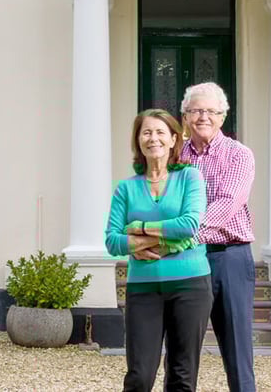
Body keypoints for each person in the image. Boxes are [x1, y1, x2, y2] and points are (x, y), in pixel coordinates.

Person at [105, 108, 213, 392]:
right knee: (139, 376)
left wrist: (137, 228)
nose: (153, 138)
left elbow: (189, 225)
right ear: (138, 140)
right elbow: (112, 241)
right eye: (146, 132)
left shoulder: (190, 178)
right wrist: (155, 239)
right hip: (143, 288)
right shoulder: (125, 189)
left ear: (174, 139)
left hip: (190, 286)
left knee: (182, 376)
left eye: (160, 132)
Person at [179, 82, 256, 392]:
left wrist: (184, 234)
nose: (203, 117)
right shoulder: (175, 156)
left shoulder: (239, 154)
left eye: (211, 111)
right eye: (196, 110)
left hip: (229, 258)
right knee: (182, 350)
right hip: (185, 260)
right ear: (184, 116)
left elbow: (227, 203)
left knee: (238, 351)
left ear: (223, 117)